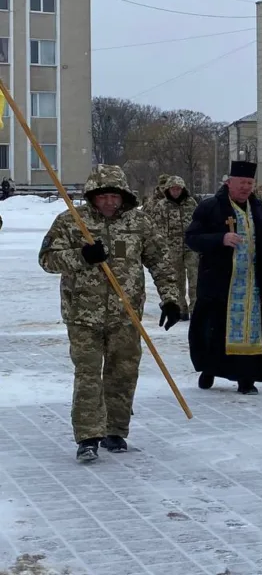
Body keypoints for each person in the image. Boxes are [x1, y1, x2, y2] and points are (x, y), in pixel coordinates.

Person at [38, 164, 181, 462]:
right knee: (88, 374)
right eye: (102, 196)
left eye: (114, 196)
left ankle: (116, 430)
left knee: (123, 372)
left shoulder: (139, 222)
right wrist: (82, 256)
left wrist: (171, 299)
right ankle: (88, 436)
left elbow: (161, 261)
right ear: (92, 195)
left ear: (123, 196)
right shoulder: (70, 221)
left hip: (125, 314)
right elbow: (47, 259)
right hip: (82, 314)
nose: (109, 202)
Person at [185, 160, 262, 395]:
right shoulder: (210, 207)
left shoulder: (261, 209)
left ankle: (247, 377)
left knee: (250, 332)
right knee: (215, 331)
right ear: (229, 183)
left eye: (249, 183)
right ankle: (210, 369)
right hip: (220, 282)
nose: (245, 187)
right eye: (241, 183)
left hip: (251, 284)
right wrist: (220, 239)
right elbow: (192, 238)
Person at [148, 175, 199, 322]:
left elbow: (198, 222)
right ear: (168, 190)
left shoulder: (191, 204)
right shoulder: (162, 206)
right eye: (173, 189)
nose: (175, 192)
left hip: (190, 246)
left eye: (178, 189)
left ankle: (195, 308)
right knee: (177, 280)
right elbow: (155, 228)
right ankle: (181, 308)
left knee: (194, 277)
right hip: (171, 248)